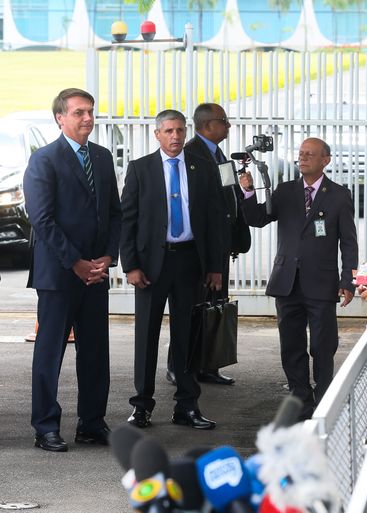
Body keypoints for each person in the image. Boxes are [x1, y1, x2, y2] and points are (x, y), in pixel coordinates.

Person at [24, 88, 121, 452]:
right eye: (79, 112)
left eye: (91, 112)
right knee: (50, 353)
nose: (88, 119)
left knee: (96, 352)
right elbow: (43, 220)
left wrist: (108, 257)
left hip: (96, 272)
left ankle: (91, 423)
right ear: (60, 118)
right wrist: (76, 262)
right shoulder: (44, 160)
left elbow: (114, 212)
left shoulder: (102, 156)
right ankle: (46, 426)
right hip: (60, 275)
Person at [238, 137, 358, 420]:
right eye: (301, 154)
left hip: (322, 283)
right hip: (287, 281)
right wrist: (247, 192)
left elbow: (348, 243)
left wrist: (348, 280)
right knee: (291, 344)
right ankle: (300, 397)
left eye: (310, 154)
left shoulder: (339, 195)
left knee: (322, 344)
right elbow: (258, 218)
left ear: (325, 160)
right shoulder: (285, 191)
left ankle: (325, 396)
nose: (303, 158)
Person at [120, 109, 223, 430]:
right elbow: (128, 221)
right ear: (157, 134)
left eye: (180, 130)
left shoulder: (202, 168)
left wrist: (216, 267)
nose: (176, 137)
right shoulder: (141, 169)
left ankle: (187, 406)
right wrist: (131, 265)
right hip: (151, 266)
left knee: (186, 336)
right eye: (168, 131)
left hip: (190, 262)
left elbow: (215, 219)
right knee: (147, 335)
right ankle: (142, 406)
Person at [165, 102, 250, 387]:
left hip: (218, 248)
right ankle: (179, 366)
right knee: (189, 310)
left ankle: (208, 364)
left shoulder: (219, 155)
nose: (228, 126)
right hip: (197, 249)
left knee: (214, 306)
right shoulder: (190, 154)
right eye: (224, 121)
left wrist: (231, 240)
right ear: (208, 125)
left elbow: (228, 197)